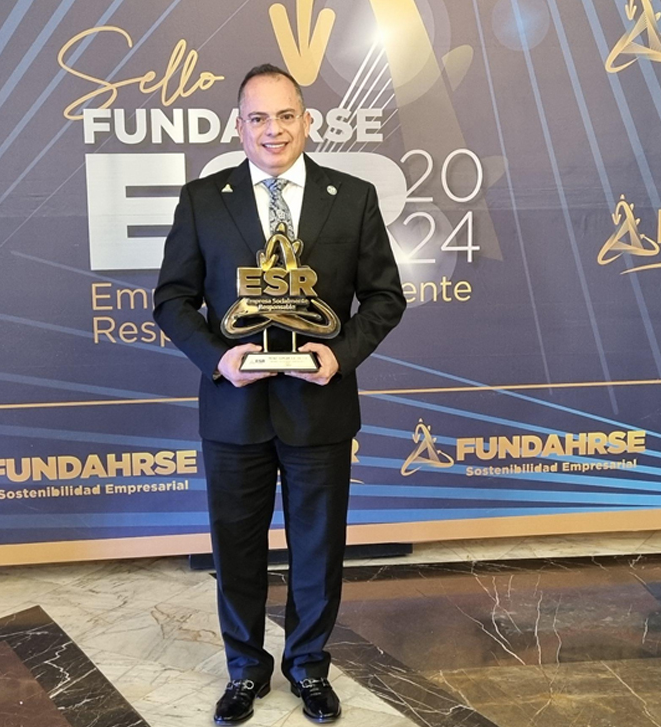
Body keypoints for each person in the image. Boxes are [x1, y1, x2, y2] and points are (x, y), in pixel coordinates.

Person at [154, 64, 406, 725]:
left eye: (286, 115)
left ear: (307, 121)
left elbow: (385, 296)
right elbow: (172, 299)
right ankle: (245, 670)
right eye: (258, 118)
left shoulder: (351, 197)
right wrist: (218, 357)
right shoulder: (203, 200)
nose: (274, 130)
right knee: (236, 548)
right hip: (233, 408)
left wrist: (339, 353)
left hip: (319, 406)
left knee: (318, 549)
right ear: (239, 127)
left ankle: (309, 666)